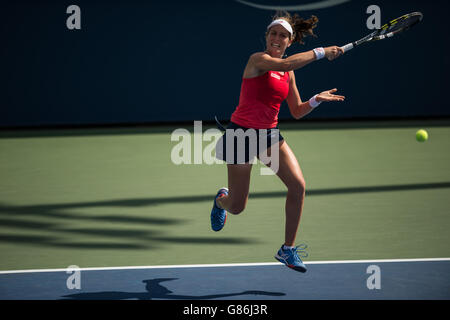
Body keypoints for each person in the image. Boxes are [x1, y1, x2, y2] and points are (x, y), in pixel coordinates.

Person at [211, 12, 345, 273]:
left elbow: (296, 110)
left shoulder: (289, 74)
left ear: (289, 42)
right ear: (267, 36)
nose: (276, 38)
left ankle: (287, 249)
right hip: (241, 134)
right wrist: (321, 52)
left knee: (298, 186)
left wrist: (316, 99)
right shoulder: (258, 60)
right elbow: (284, 65)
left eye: (283, 35)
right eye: (273, 33)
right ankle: (220, 201)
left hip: (269, 135)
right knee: (237, 207)